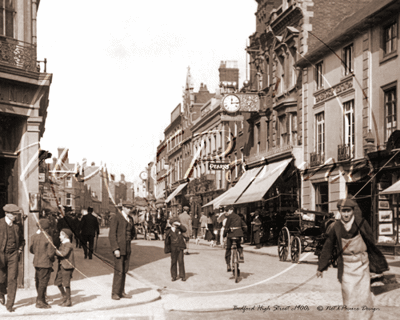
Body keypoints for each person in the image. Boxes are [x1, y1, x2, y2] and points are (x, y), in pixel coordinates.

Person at [317, 198, 389, 320]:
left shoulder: (361, 223)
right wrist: (321, 267)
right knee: (348, 295)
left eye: (348, 211)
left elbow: (371, 244)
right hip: (346, 267)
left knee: (363, 296)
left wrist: (376, 266)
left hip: (362, 266)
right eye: (343, 211)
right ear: (339, 211)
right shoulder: (336, 227)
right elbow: (328, 246)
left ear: (352, 211)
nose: (345, 214)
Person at [109, 201, 136, 300]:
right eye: (128, 208)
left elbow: (133, 232)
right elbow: (112, 235)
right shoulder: (116, 217)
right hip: (119, 249)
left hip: (127, 248)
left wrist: (128, 239)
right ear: (123, 207)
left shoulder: (130, 219)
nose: (129, 210)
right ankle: (115, 293)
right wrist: (115, 248)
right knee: (119, 271)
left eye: (130, 208)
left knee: (124, 270)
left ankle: (122, 291)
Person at [0, 204, 25, 312]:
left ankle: (10, 304)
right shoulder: (0, 224)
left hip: (13, 254)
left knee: (12, 278)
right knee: (1, 277)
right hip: (1, 254)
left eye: (16, 214)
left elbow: (22, 240)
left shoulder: (17, 226)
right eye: (13, 214)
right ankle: (1, 293)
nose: (15, 216)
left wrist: (19, 250)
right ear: (7, 214)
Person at [30, 219, 56, 309]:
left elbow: (31, 249)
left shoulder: (34, 237)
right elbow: (50, 253)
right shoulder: (48, 238)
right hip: (45, 263)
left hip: (36, 262)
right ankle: (40, 301)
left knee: (38, 281)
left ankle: (40, 299)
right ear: (47, 228)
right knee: (43, 282)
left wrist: (38, 254)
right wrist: (53, 259)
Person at [54, 229, 75, 307]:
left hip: (67, 267)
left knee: (66, 283)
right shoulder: (63, 244)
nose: (59, 237)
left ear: (65, 236)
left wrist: (55, 251)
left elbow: (63, 254)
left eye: (60, 235)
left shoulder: (68, 244)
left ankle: (68, 301)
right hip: (62, 265)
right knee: (58, 282)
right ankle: (64, 296)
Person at [224, 206, 247, 273]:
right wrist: (244, 233)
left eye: (227, 211)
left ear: (230, 210)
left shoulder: (229, 217)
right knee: (238, 245)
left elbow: (226, 228)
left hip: (231, 235)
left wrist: (224, 235)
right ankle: (241, 254)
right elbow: (245, 226)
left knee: (228, 249)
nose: (227, 213)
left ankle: (228, 264)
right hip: (239, 235)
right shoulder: (239, 217)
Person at [164, 217, 186, 282]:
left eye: (176, 224)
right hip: (173, 248)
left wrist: (179, 224)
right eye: (175, 224)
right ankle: (174, 276)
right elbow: (167, 241)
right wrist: (167, 249)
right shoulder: (169, 231)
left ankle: (182, 276)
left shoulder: (180, 229)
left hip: (180, 247)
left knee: (181, 261)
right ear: (172, 224)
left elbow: (185, 229)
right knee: (173, 262)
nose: (176, 225)